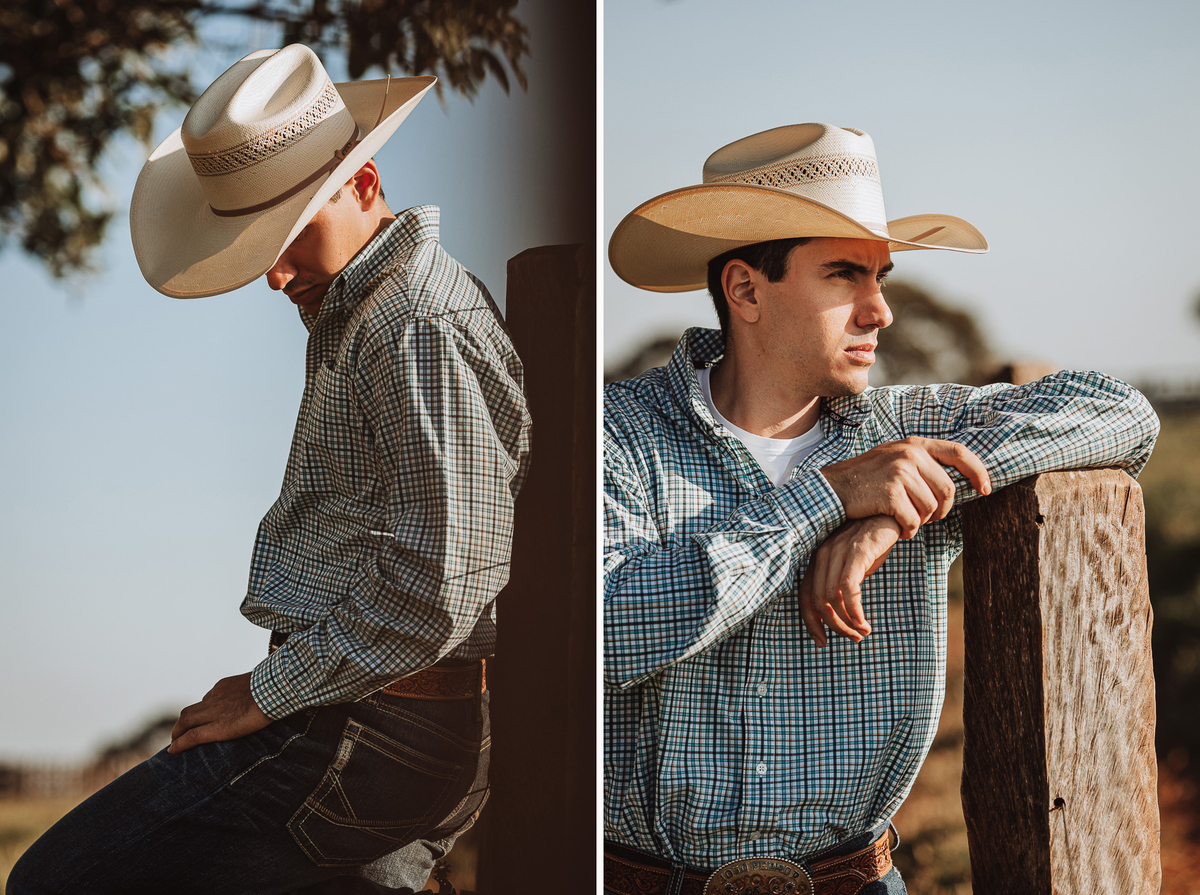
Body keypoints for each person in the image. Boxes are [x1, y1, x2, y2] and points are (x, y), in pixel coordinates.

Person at [8, 45, 530, 895]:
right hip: (384, 717)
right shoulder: (378, 311)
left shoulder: (412, 326)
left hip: (367, 724)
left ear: (363, 182)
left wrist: (267, 690)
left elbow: (443, 575)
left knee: (56, 880)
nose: (275, 274)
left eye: (289, 236)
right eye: (258, 245)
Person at [602, 123, 1158, 895]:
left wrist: (897, 504)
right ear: (746, 289)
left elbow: (1121, 411)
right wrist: (828, 497)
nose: (879, 310)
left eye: (880, 276)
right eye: (843, 275)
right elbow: (609, 633)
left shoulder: (906, 432)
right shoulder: (617, 433)